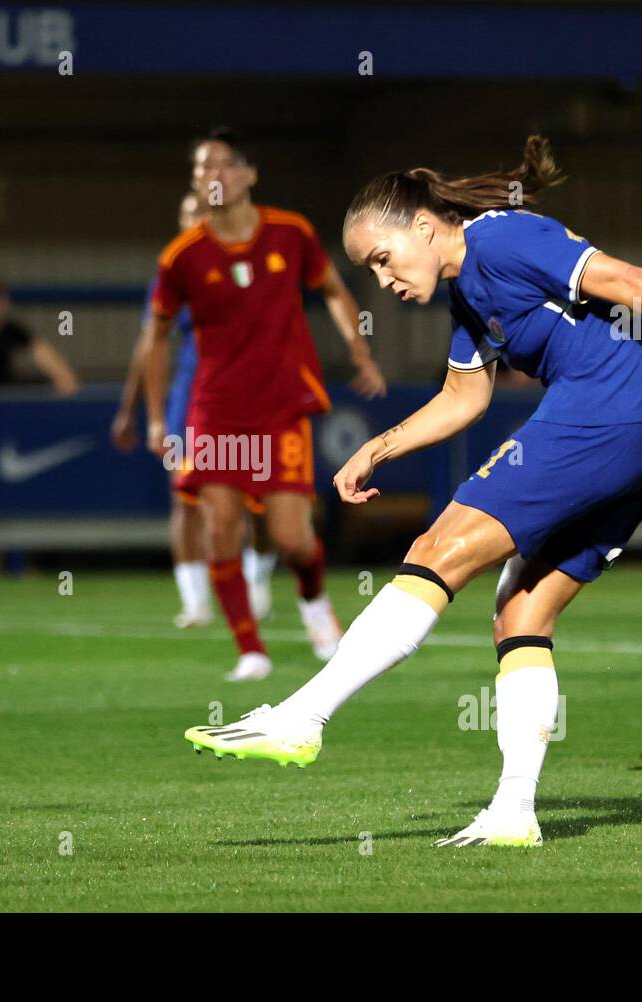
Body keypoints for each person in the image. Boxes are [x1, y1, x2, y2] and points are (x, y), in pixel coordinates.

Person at [184, 136, 642, 847]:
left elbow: (628, 282)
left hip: (604, 414)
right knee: (518, 614)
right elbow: (462, 397)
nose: (381, 281)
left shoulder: (503, 239)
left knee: (437, 546)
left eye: (382, 259)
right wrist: (377, 448)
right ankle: (515, 810)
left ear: (422, 225)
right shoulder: (468, 293)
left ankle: (304, 716)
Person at [143, 128, 388, 681]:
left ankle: (316, 607)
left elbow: (332, 289)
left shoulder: (290, 233)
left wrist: (358, 348)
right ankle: (250, 649)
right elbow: (154, 337)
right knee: (221, 527)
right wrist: (157, 416)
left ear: (250, 173)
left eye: (225, 165)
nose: (214, 176)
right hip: (217, 411)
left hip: (280, 408)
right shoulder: (181, 257)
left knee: (291, 537)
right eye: (203, 168)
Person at [113, 192, 278, 628]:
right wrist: (135, 410)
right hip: (188, 401)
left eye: (203, 213)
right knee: (184, 498)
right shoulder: (171, 275)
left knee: (251, 499)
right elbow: (150, 344)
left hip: (246, 399)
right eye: (188, 215)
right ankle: (195, 601)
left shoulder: (245, 267)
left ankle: (257, 574)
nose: (196, 222)